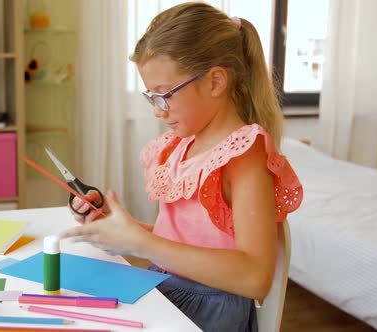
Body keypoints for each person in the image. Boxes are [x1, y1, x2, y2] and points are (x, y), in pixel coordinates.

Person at [59, 2, 303, 331]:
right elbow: (183, 243)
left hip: (210, 313)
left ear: (216, 82)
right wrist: (122, 228)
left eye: (165, 95)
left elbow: (255, 277)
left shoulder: (244, 153)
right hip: (165, 292)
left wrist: (140, 242)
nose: (158, 111)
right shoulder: (181, 145)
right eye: (151, 96)